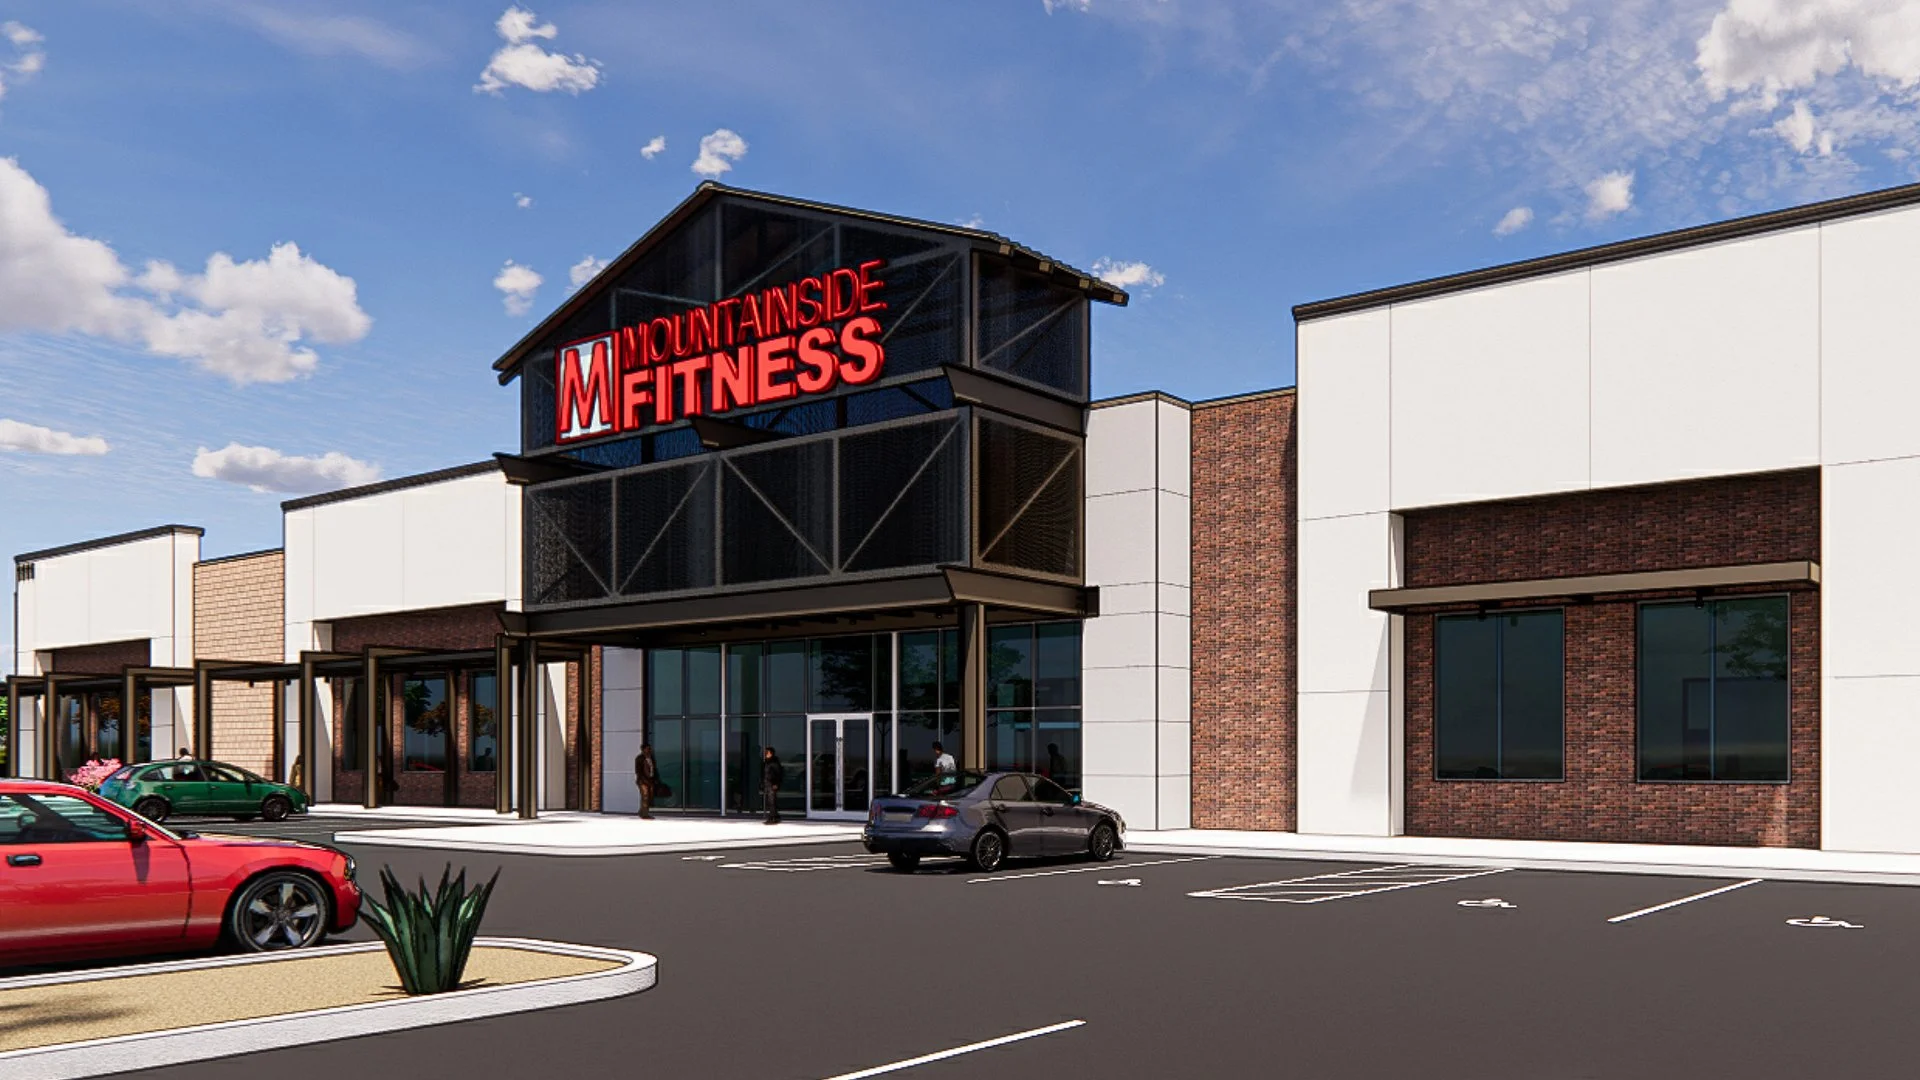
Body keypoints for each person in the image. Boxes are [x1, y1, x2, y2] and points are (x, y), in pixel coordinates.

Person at [635, 743, 658, 819]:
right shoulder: (639, 758)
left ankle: (642, 811)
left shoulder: (651, 758)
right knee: (645, 796)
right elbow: (638, 771)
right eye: (647, 749)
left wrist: (655, 780)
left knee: (649, 797)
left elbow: (654, 770)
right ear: (643, 750)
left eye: (649, 748)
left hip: (650, 780)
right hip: (642, 781)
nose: (649, 750)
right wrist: (644, 780)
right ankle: (645, 814)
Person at [761, 746, 783, 824]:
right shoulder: (767, 762)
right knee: (771, 801)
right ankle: (776, 816)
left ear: (771, 753)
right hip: (768, 784)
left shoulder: (774, 762)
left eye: (767, 752)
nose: (765, 753)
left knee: (772, 802)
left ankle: (772, 818)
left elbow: (778, 774)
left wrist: (775, 783)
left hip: (772, 784)